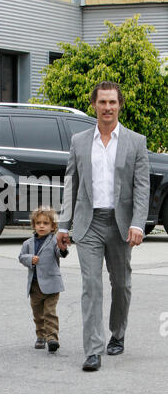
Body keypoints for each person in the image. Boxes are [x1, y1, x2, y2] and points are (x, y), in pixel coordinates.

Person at [57, 81, 150, 372]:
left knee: (120, 285)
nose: (107, 107)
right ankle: (93, 350)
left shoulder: (137, 142)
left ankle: (117, 333)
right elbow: (71, 184)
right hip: (89, 223)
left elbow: (142, 187)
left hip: (121, 225)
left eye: (112, 102)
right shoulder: (79, 141)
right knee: (91, 286)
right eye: (102, 102)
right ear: (94, 105)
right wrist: (63, 225)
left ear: (119, 105)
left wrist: (138, 223)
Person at [19, 206, 68, 352]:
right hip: (35, 286)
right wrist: (29, 259)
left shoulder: (54, 241)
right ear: (34, 225)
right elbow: (21, 257)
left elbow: (59, 253)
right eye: (38, 223)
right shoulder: (28, 243)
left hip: (52, 285)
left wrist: (63, 248)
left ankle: (52, 338)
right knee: (38, 314)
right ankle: (40, 336)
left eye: (45, 223)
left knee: (50, 312)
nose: (41, 226)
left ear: (53, 226)